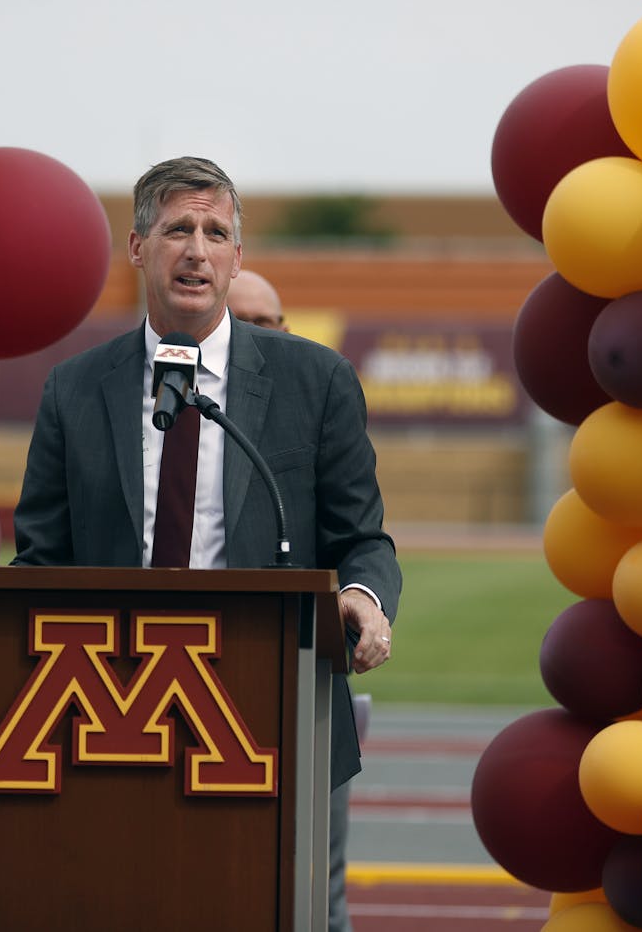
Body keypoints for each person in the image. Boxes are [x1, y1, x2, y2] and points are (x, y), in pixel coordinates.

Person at [11, 156, 400, 922]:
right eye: (177, 229)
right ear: (137, 247)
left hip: (267, 710)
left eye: (215, 232)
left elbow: (363, 540)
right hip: (112, 715)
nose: (197, 249)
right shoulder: (75, 388)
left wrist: (361, 596)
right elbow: (40, 559)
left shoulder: (314, 381)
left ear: (237, 258)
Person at [226, 266, 366, 932]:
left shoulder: (322, 394)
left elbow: (361, 535)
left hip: (298, 692)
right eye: (242, 322)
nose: (260, 336)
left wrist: (364, 595)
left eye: (269, 322)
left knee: (316, 899)